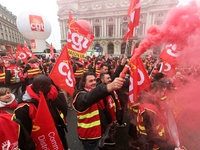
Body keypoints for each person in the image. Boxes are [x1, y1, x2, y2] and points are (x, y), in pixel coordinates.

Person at [14, 74, 69, 150]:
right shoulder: (23, 108)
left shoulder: (49, 95)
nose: (52, 87)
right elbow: (25, 133)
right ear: (41, 88)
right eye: (49, 85)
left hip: (58, 133)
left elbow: (62, 109)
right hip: (42, 142)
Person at [72, 72, 124, 150]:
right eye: (90, 81)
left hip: (98, 131)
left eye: (94, 80)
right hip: (89, 135)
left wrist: (121, 66)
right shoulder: (80, 96)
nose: (94, 83)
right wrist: (108, 87)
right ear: (83, 83)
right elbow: (88, 98)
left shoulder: (94, 91)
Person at [136, 81, 184, 150]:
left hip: (147, 139)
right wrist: (171, 148)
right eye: (162, 92)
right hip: (149, 143)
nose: (163, 94)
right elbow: (152, 134)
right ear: (157, 91)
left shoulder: (149, 101)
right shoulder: (149, 110)